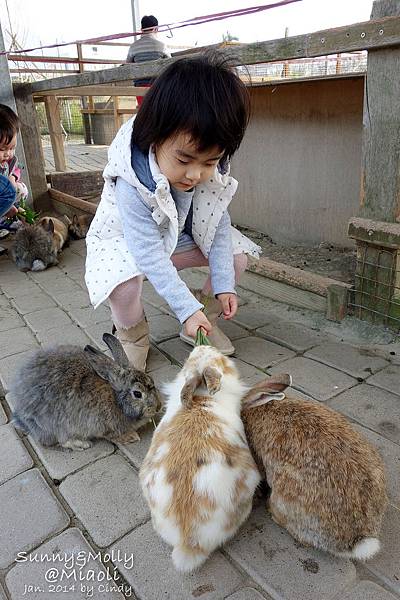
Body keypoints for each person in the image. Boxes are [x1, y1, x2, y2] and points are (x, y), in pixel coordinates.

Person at [85, 52, 261, 370]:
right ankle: (133, 335)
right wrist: (183, 305)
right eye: (183, 160)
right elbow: (148, 254)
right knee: (122, 284)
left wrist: (223, 285)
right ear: (155, 136)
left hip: (177, 239)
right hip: (127, 243)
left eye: (208, 162)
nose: (195, 174)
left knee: (236, 258)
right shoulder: (132, 181)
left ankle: (201, 323)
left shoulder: (210, 171)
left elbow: (217, 223)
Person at [126, 15, 170, 107]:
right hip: (157, 88)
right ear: (156, 29)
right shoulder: (161, 46)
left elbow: (128, 65)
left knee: (144, 113)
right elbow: (169, 64)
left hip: (139, 88)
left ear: (142, 29)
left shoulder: (133, 47)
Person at [0, 103, 28, 234]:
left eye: (12, 148)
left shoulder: (8, 159)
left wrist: (12, 177)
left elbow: (15, 168)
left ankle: (4, 219)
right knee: (9, 191)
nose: (8, 153)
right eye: (2, 149)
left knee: (21, 189)